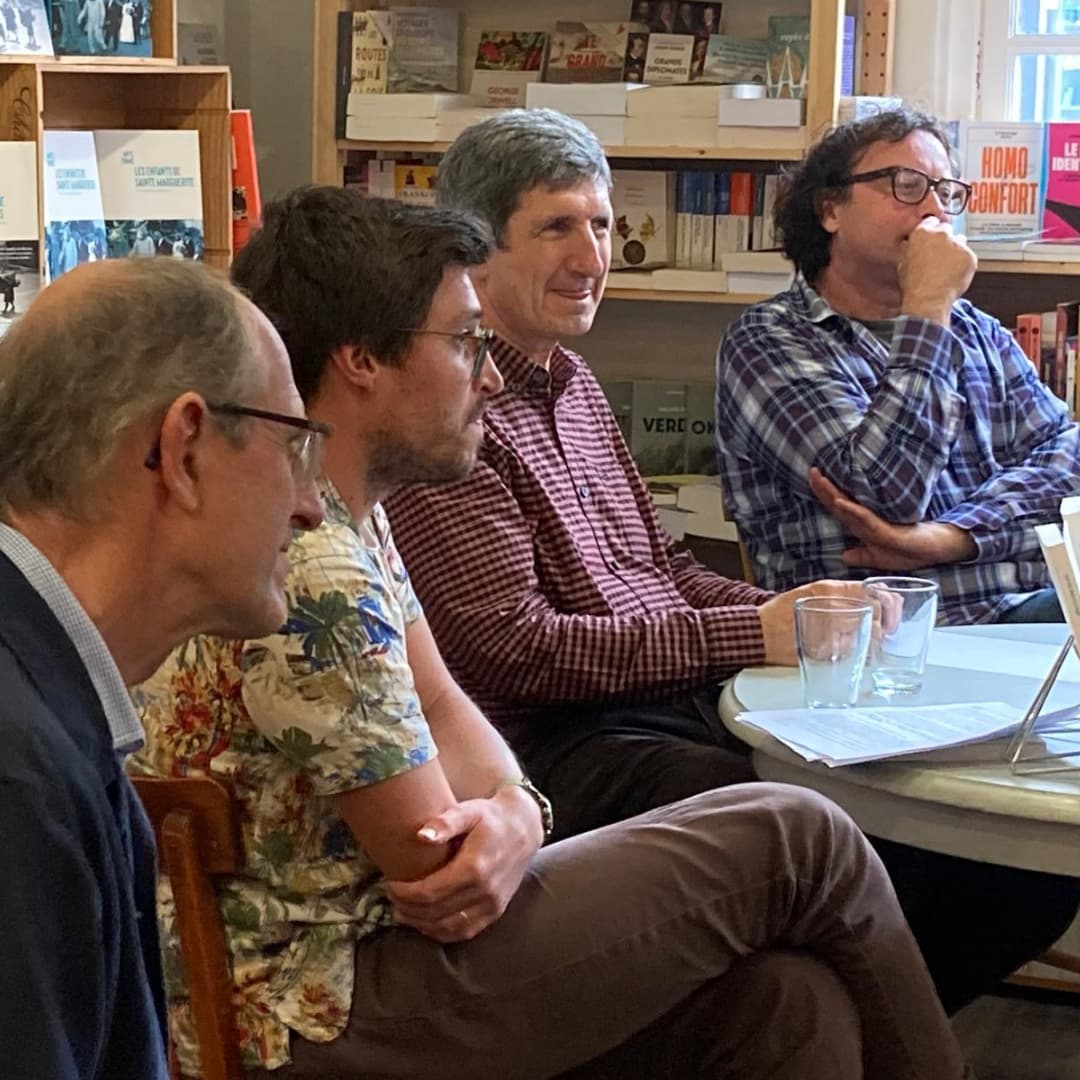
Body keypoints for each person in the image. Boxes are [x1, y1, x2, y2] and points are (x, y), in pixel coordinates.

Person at [133, 189, 971, 1079]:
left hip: (379, 961)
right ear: (361, 361)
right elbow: (439, 868)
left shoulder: (348, 514)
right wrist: (512, 820)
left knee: (788, 1005)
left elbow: (442, 702)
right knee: (799, 832)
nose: (490, 376)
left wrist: (517, 810)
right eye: (465, 342)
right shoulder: (314, 565)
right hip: (319, 1004)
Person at [382, 107, 1080, 1016]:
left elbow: (663, 565)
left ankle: (853, 1028)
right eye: (557, 227)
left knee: (999, 870)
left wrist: (804, 606)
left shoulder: (574, 383)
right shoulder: (455, 413)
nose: (594, 256)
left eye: (602, 224)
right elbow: (517, 652)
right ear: (476, 249)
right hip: (567, 737)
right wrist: (754, 631)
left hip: (680, 695)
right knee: (824, 840)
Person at [0, 258, 324, 1078]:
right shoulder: (18, 774)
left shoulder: (44, 706)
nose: (310, 507)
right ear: (182, 450)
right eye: (293, 447)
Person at [715, 107, 1080, 626]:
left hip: (1027, 617)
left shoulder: (975, 330)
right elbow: (887, 495)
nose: (935, 211)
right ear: (830, 210)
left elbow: (1070, 465)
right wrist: (927, 305)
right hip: (887, 639)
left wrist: (951, 538)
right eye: (906, 185)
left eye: (946, 192)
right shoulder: (769, 340)